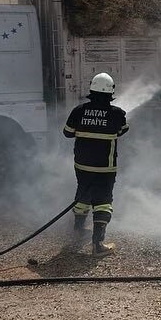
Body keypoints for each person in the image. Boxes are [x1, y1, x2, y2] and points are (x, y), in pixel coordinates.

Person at [63, 73, 130, 256]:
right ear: (111, 93)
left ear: (91, 90)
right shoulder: (117, 114)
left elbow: (67, 133)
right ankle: (97, 245)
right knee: (103, 202)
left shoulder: (79, 110)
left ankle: (78, 230)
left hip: (82, 166)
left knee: (82, 195)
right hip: (105, 168)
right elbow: (122, 130)